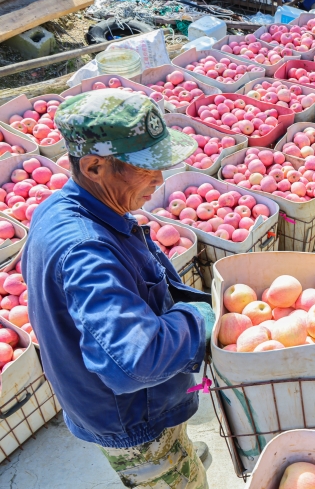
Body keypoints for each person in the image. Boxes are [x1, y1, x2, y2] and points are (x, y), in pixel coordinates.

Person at [22, 89, 215, 489]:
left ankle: (176, 453)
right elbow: (135, 361)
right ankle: (170, 469)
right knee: (173, 478)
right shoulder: (87, 251)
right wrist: (199, 319)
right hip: (132, 417)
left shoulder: (62, 206)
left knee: (173, 452)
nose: (160, 180)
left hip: (106, 397)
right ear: (94, 167)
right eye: (145, 168)